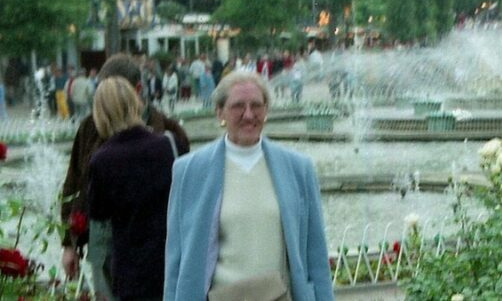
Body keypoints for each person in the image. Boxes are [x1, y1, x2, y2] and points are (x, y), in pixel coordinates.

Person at [164, 71, 333, 301]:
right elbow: (175, 261)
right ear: (219, 112)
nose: (248, 114)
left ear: (266, 111)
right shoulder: (189, 172)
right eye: (238, 106)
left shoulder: (298, 170)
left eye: (256, 105)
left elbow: (316, 259)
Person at [60, 54, 190, 290]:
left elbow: (188, 198)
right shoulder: (90, 128)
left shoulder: (169, 133)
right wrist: (69, 244)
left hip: (158, 251)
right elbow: (73, 185)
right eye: (102, 91)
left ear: (137, 89)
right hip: (103, 247)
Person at [87, 77, 177, 301]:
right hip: (170, 259)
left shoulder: (102, 159)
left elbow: (98, 212)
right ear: (135, 102)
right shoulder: (167, 145)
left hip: (130, 266)